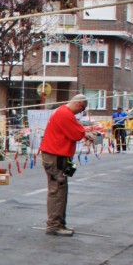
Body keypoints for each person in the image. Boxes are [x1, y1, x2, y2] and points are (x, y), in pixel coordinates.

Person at [39, 94, 94, 236]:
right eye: (81, 110)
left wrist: (83, 134)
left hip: (60, 156)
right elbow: (76, 133)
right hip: (56, 156)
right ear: (79, 104)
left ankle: (59, 223)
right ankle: (54, 225)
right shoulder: (65, 114)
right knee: (57, 189)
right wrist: (84, 133)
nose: (79, 113)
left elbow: (74, 132)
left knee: (61, 188)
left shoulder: (62, 111)